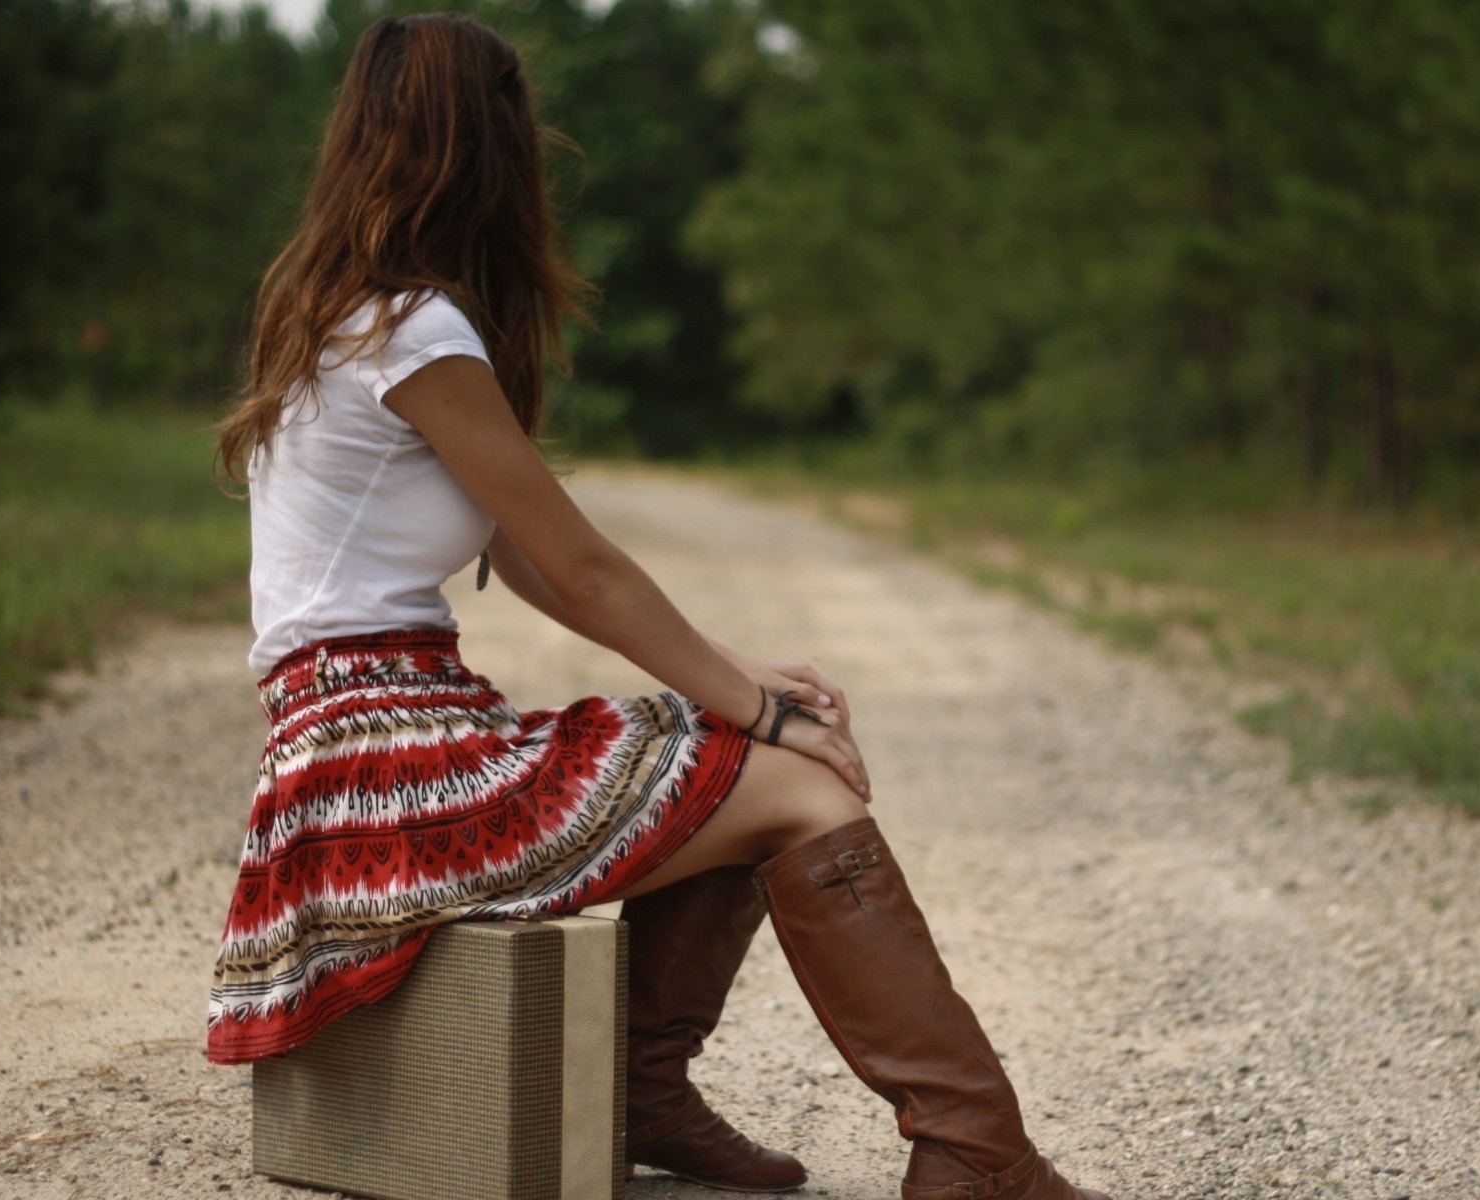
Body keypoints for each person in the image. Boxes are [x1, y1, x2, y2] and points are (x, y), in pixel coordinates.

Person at [204, 13, 1114, 1200]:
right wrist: (761, 709)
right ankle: (975, 1155)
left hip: (346, 751)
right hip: (386, 758)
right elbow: (582, 567)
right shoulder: (413, 330)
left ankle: (647, 1088)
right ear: (488, 148)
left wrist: (737, 684)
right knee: (798, 784)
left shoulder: (338, 313)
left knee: (718, 754)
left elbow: (526, 559)